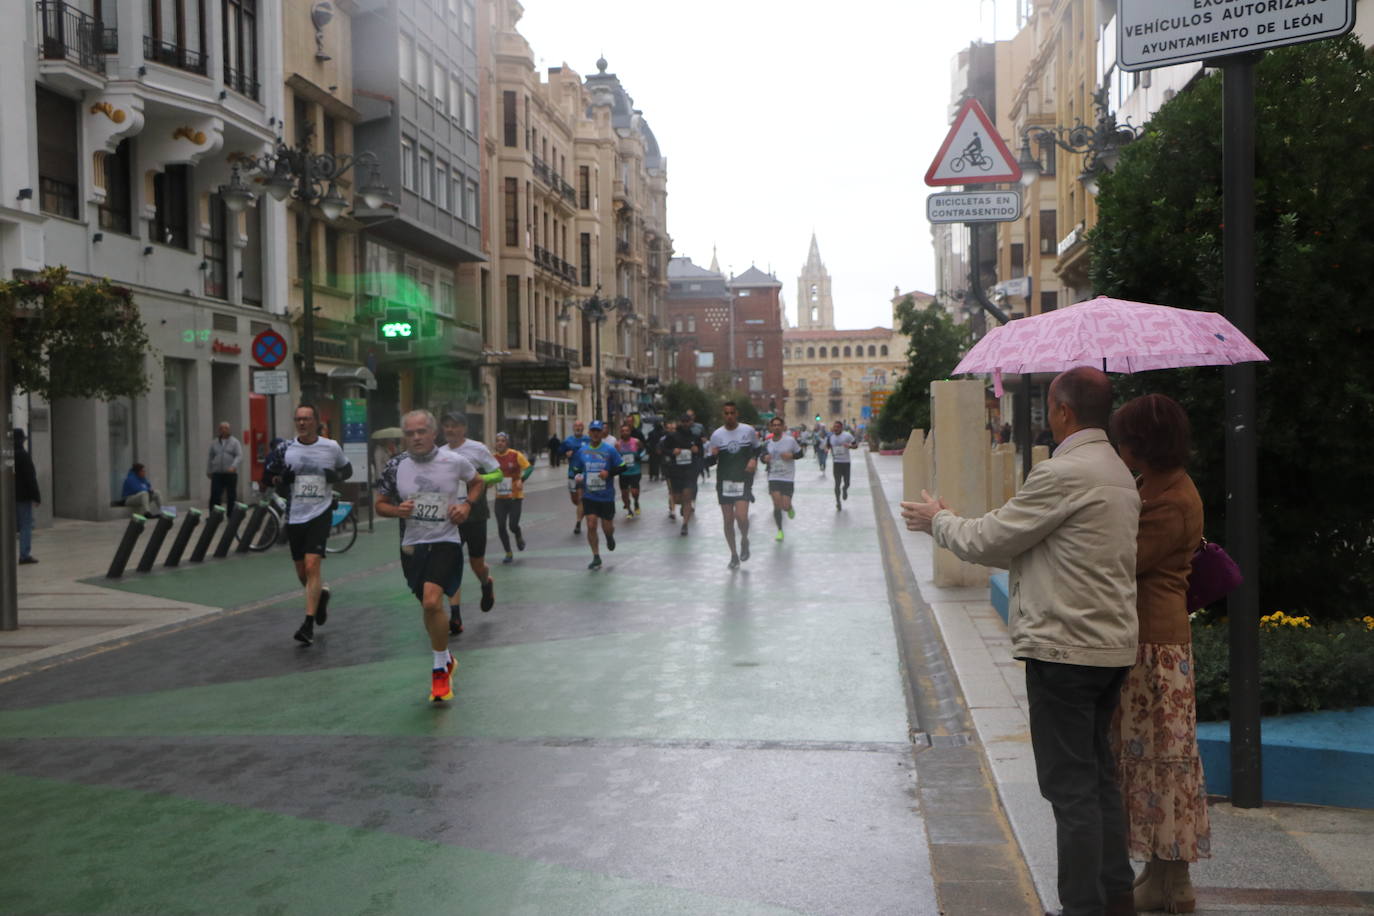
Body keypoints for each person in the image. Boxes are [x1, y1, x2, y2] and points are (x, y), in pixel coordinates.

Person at [900, 367, 1140, 916]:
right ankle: (1114, 895)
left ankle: (1084, 906)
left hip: (1064, 648)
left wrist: (940, 520)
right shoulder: (1117, 471)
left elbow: (992, 539)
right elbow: (1040, 545)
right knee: (1098, 777)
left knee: (1070, 787)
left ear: (1062, 411)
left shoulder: (1063, 473)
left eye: (1050, 408)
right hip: (1108, 647)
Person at [1108, 394, 1210, 915]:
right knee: (1148, 760)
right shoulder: (1154, 485)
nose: (1119, 445)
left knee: (1164, 764)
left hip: (1158, 647)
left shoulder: (1173, 498)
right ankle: (1159, 873)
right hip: (1147, 638)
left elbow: (1130, 558)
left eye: (1124, 437)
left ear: (1144, 443)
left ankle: (1176, 883)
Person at [375, 409, 481, 703]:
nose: (416, 438)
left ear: (434, 433)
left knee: (433, 599)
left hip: (446, 540)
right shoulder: (395, 466)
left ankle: (438, 671)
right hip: (412, 545)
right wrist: (398, 510)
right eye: (410, 433)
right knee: (428, 607)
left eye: (421, 431)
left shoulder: (454, 461)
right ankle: (447, 658)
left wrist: (467, 507)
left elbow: (477, 482)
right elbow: (380, 504)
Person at [265, 403, 352, 646]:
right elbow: (269, 478)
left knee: (313, 564)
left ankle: (307, 624)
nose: (302, 423)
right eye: (298, 419)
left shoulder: (331, 447)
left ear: (316, 422)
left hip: (320, 512)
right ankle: (321, 595)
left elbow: (347, 470)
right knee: (303, 573)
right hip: (295, 515)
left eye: (307, 419)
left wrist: (334, 477)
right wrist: (283, 480)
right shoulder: (286, 449)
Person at [440, 412, 500, 635]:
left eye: (454, 426)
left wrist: (477, 480)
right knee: (452, 565)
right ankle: (455, 615)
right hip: (451, 517)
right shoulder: (440, 453)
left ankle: (486, 582)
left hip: (475, 514)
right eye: (446, 426)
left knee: (477, 564)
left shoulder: (477, 449)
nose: (450, 430)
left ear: (464, 428)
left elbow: (498, 474)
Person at [708, 401, 761, 569]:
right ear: (722, 415)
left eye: (732, 413)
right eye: (726, 413)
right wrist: (712, 455)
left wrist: (753, 459)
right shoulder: (717, 435)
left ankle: (744, 539)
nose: (729, 416)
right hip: (724, 481)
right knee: (728, 520)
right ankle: (733, 554)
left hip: (742, 479)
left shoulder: (748, 431)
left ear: (736, 413)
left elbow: (758, 449)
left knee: (741, 517)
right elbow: (709, 461)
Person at [568, 420, 622, 569]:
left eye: (599, 431)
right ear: (589, 433)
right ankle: (596, 556)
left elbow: (622, 467)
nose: (596, 433)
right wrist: (578, 478)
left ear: (602, 433)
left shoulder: (610, 450)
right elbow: (576, 468)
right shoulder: (582, 451)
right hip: (589, 495)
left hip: (606, 496)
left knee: (607, 527)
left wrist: (609, 473)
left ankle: (609, 536)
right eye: (593, 431)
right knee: (591, 524)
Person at [491, 432, 532, 564]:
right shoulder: (492, 458)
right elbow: (490, 475)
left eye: (503, 441)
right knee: (501, 526)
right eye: (498, 441)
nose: (500, 443)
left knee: (513, 525)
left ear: (507, 443)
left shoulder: (515, 455)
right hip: (500, 498)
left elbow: (529, 468)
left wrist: (522, 479)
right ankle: (508, 552)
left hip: (515, 497)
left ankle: (518, 534)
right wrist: (489, 482)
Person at [661, 414, 701, 536]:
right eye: (683, 421)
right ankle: (683, 506)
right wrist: (672, 452)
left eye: (687, 421)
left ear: (691, 422)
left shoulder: (695, 436)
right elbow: (662, 448)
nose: (685, 423)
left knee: (687, 496)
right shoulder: (672, 436)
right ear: (680, 422)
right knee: (678, 498)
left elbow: (701, 453)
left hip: (690, 471)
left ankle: (685, 525)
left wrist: (697, 450)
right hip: (676, 471)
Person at [762, 416, 800, 542]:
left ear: (783, 427)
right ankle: (779, 530)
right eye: (774, 425)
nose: (776, 427)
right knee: (776, 504)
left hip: (788, 478)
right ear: (771, 427)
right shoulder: (767, 442)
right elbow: (762, 456)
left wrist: (792, 455)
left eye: (779, 425)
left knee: (784, 505)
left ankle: (789, 508)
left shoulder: (790, 440)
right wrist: (764, 459)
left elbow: (801, 454)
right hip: (773, 477)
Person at [12, 429, 40, 565]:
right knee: (25, 525)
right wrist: (36, 496)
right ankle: (24, 555)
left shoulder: (7, 455)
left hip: (9, 496)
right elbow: (30, 477)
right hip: (23, 497)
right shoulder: (23, 455)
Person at [561, 421, 591, 535]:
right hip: (572, 472)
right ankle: (582, 509)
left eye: (580, 426)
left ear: (583, 428)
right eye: (576, 426)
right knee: (575, 500)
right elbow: (559, 451)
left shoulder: (588, 440)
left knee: (580, 498)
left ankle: (578, 523)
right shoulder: (568, 440)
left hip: (584, 472)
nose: (578, 428)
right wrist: (565, 454)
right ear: (573, 428)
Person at [206, 421, 243, 511]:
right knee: (215, 494)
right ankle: (214, 516)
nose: (224, 430)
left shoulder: (235, 442)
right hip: (217, 473)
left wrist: (233, 466)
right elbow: (210, 457)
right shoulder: (214, 442)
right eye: (222, 428)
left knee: (231, 495)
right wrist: (209, 470)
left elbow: (239, 456)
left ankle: (230, 515)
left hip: (230, 473)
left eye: (226, 428)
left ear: (229, 430)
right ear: (219, 430)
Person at [616, 421, 646, 517]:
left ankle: (636, 502)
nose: (625, 433)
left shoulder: (636, 441)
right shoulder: (618, 444)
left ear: (630, 432)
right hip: (623, 472)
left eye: (627, 431)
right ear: (620, 432)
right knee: (624, 494)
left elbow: (644, 451)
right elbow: (614, 457)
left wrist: (639, 456)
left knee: (634, 491)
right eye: (623, 431)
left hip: (635, 471)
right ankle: (629, 510)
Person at [825, 420, 857, 510]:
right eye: (834, 427)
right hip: (836, 463)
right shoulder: (830, 437)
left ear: (841, 428)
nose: (835, 428)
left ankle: (845, 489)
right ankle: (838, 502)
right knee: (837, 484)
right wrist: (826, 449)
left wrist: (849, 446)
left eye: (837, 427)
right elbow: (827, 446)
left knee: (847, 483)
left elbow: (856, 445)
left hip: (846, 463)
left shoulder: (847, 435)